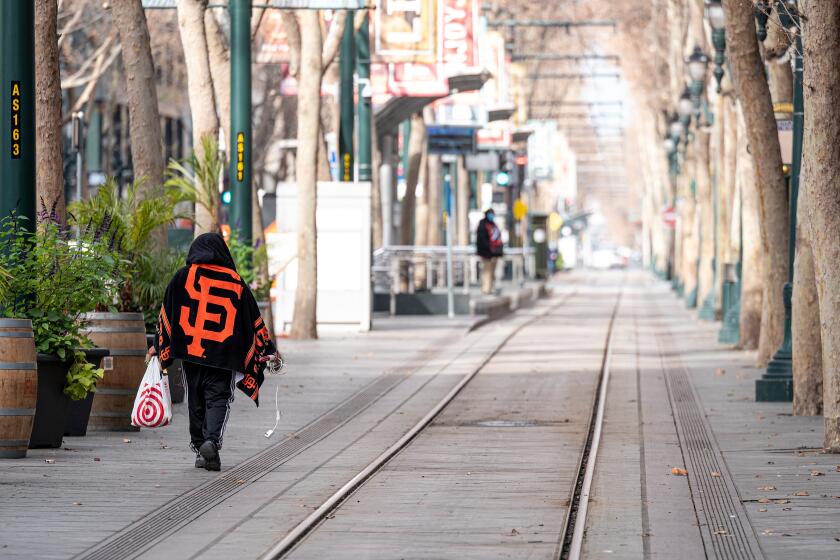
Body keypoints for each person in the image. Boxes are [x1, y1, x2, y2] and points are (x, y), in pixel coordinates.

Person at [147, 233, 280, 471]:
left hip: (191, 353)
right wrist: (269, 350)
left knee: (195, 399)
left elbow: (167, 315)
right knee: (218, 399)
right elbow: (253, 321)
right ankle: (211, 442)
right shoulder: (236, 282)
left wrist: (158, 347)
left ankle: (201, 448)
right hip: (224, 355)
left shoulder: (182, 277)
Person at [476, 209, 503, 294]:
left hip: (495, 253)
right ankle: (486, 289)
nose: (492, 216)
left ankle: (490, 288)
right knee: (487, 272)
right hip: (486, 253)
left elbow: (498, 237)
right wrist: (488, 248)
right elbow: (482, 240)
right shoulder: (483, 225)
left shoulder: (493, 225)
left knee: (492, 272)